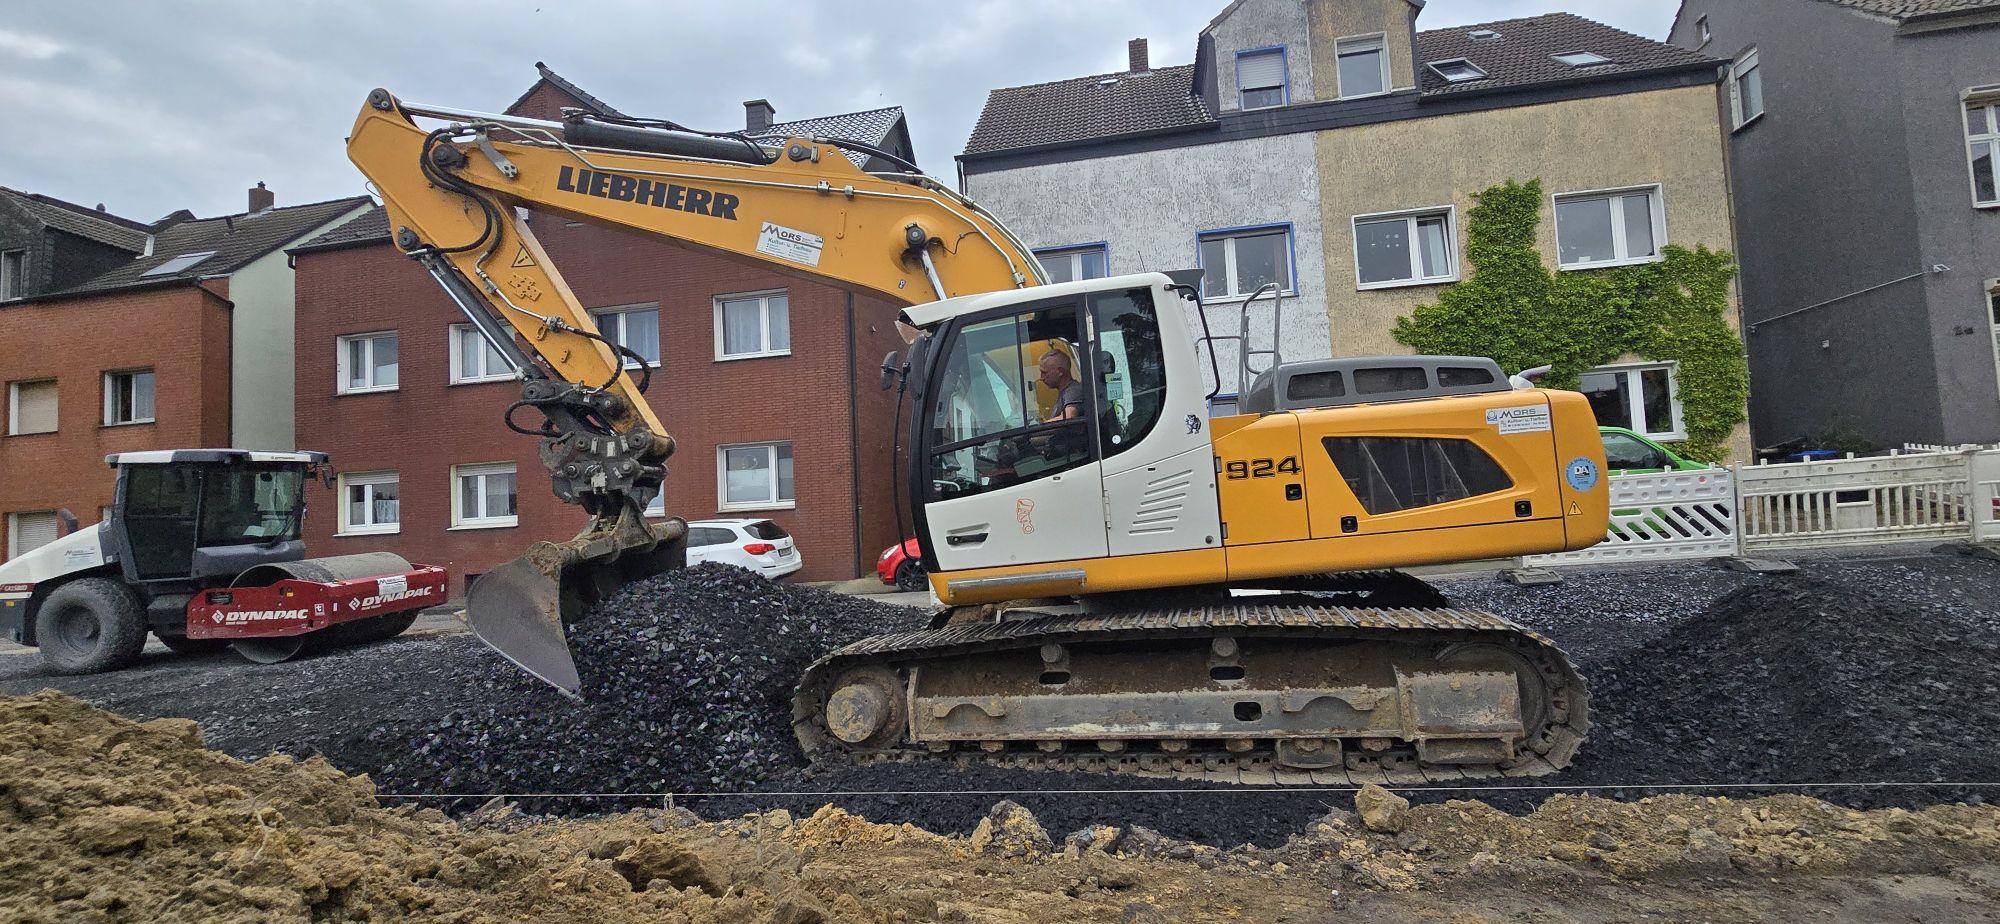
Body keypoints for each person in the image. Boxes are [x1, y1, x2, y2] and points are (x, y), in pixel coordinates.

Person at [1038, 349, 1085, 423]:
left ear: (1060, 372)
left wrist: (1041, 427)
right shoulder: (1064, 393)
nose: (1041, 378)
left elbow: (1069, 416)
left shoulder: (1073, 391)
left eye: (1044, 372)